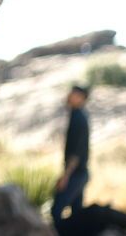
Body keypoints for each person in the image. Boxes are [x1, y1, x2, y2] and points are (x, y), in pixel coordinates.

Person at [52, 85, 91, 234]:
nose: (70, 96)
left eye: (74, 94)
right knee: (77, 214)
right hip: (80, 172)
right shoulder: (77, 115)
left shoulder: (79, 118)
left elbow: (76, 153)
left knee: (56, 211)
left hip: (76, 173)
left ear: (82, 98)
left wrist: (65, 176)